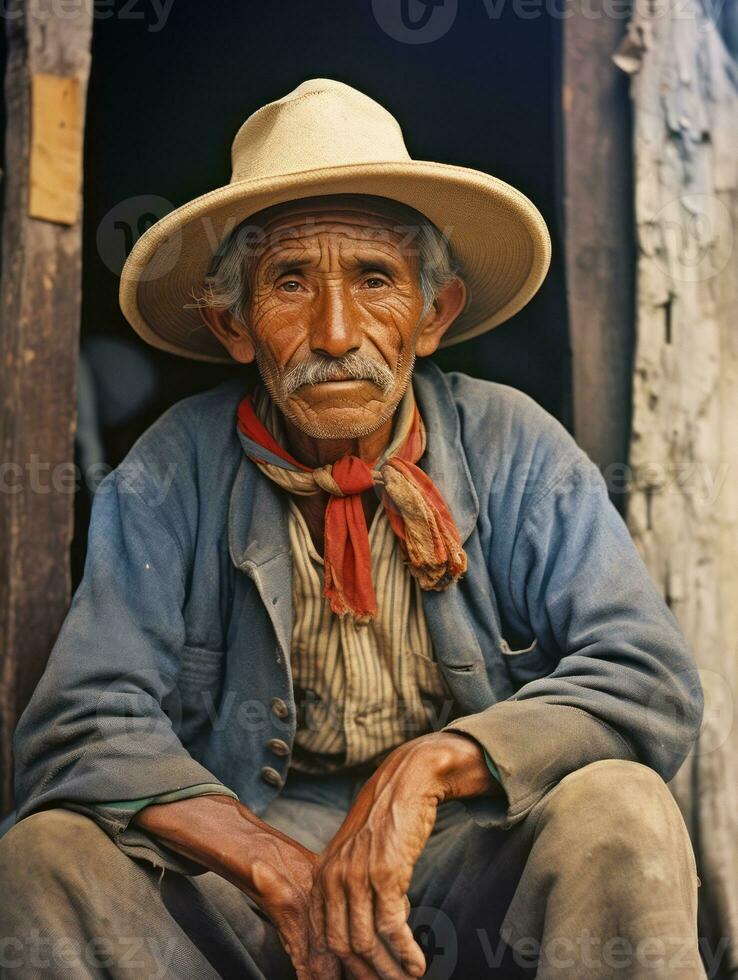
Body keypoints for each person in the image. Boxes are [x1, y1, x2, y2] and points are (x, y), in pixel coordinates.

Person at [0, 79, 705, 979]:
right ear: (236, 324)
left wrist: (431, 770)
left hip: (462, 855)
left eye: (375, 280)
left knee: (622, 807)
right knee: (45, 858)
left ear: (432, 314)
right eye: (290, 282)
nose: (337, 332)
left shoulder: (515, 444)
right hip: (248, 879)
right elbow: (78, 723)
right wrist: (271, 866)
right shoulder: (172, 468)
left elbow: (648, 678)